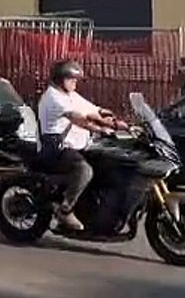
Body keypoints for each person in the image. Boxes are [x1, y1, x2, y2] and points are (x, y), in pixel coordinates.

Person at [37, 59, 129, 232]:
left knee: (105, 161)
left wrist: (117, 119)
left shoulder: (70, 95)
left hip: (75, 145)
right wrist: (107, 127)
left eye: (76, 80)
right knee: (84, 170)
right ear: (60, 79)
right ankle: (65, 209)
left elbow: (93, 110)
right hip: (56, 147)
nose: (75, 83)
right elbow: (80, 119)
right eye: (71, 79)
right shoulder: (53, 98)